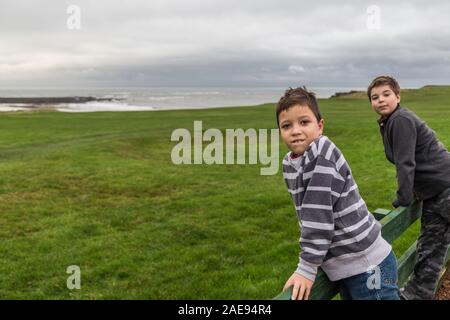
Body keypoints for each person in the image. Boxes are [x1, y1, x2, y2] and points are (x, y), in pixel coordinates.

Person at [278, 86, 400, 300]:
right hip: (346, 264)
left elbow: (318, 217)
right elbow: (308, 216)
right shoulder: (291, 163)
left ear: (320, 126)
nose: (295, 130)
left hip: (366, 264)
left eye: (304, 122)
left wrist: (306, 267)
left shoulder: (322, 154)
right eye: (286, 125)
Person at [367, 75, 450, 300]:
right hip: (432, 192)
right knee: (430, 248)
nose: (381, 100)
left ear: (398, 96)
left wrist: (403, 197)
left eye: (386, 94)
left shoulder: (400, 119)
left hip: (445, 186)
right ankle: (416, 295)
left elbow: (406, 163)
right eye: (375, 97)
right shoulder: (390, 121)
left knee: (431, 247)